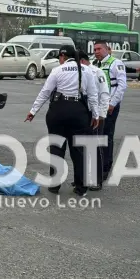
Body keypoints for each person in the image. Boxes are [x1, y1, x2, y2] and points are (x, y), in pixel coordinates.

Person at [25, 45, 100, 196]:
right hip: (79, 112)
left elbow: (45, 92)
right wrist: (96, 115)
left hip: (58, 112)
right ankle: (81, 187)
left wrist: (33, 111)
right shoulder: (87, 70)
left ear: (62, 57)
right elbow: (93, 95)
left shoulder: (57, 70)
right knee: (79, 150)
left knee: (56, 149)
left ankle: (54, 186)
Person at [92, 39, 127, 182]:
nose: (96, 52)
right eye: (94, 50)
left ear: (107, 49)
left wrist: (112, 103)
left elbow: (122, 86)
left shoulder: (115, 63)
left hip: (110, 107)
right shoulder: (94, 64)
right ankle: (96, 167)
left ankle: (105, 167)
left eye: (99, 49)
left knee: (106, 136)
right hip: (98, 106)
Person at [79, 50, 110, 191]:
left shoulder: (97, 72)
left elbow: (104, 94)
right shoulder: (80, 72)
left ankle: (97, 180)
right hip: (84, 115)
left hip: (96, 115)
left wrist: (102, 114)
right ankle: (84, 178)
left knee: (95, 148)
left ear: (82, 61)